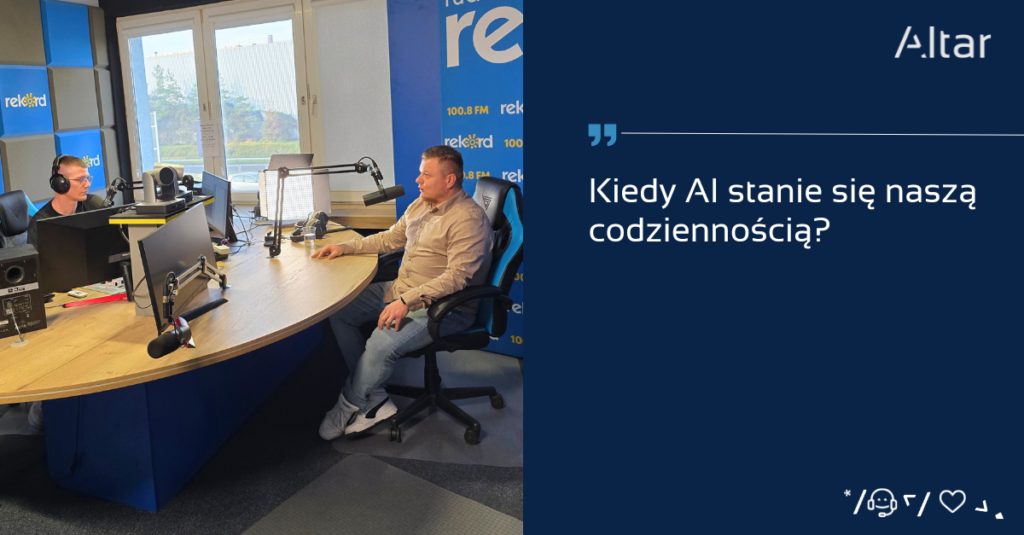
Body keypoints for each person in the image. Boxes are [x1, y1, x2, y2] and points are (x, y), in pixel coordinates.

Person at [311, 146, 493, 439]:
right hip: (402, 289)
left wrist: (406, 301)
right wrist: (345, 247)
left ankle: (349, 402)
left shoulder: (468, 220)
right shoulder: (422, 203)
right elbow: (390, 239)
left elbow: (457, 279)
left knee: (380, 342)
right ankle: (374, 396)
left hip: (444, 307)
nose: (418, 180)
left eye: (426, 174)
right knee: (341, 310)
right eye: (421, 173)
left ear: (449, 180)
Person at [26, 155, 104, 249]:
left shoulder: (93, 205)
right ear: (60, 183)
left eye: (87, 178)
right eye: (81, 179)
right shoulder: (40, 225)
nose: (87, 184)